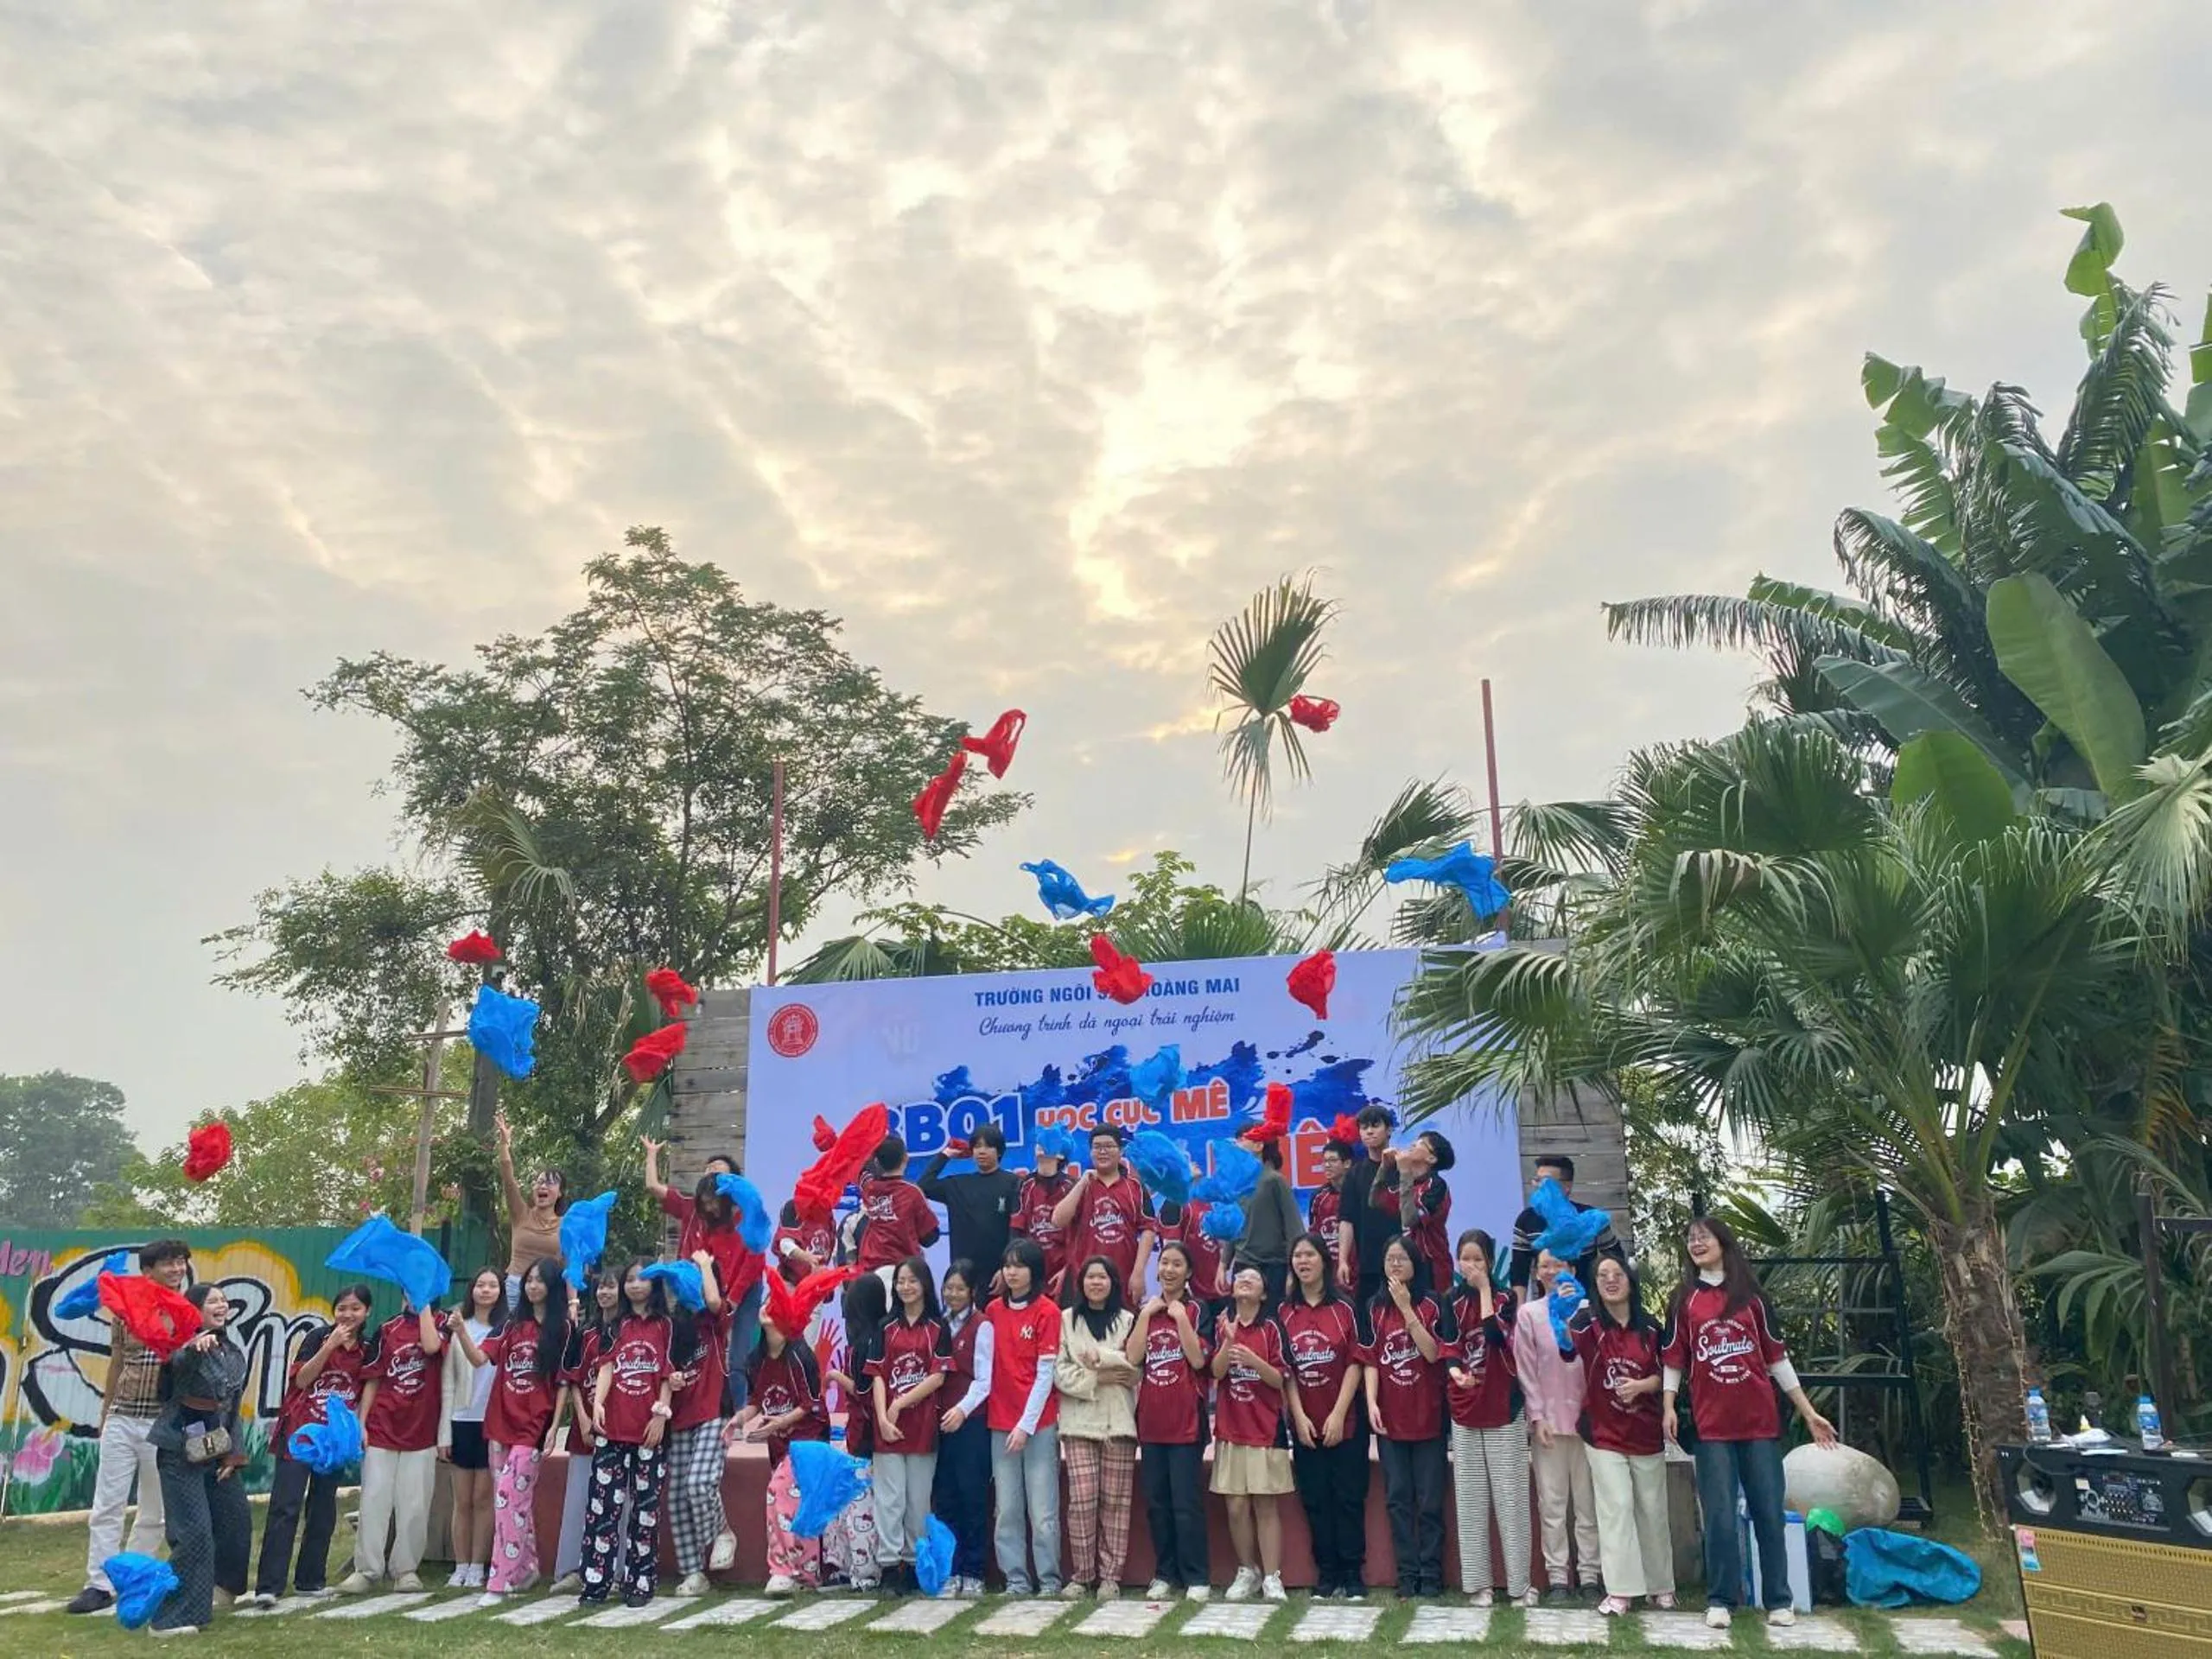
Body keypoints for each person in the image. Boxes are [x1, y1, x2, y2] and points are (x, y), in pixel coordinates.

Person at [1662, 1216, 1837, 1633]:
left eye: (1704, 1236)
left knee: (1768, 1513)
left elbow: (1777, 1359)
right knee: (1720, 1516)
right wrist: (1668, 1405)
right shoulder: (1683, 1299)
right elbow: (1673, 1358)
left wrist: (1808, 1412)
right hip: (1711, 1426)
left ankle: (1778, 1598)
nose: (1697, 1243)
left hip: (1759, 1424)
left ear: (1724, 1243)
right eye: (1691, 1238)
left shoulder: (1753, 1300)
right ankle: (1721, 1599)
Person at [68, 1237, 191, 1616]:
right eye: (168, 1263)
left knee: (154, 1510)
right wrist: (106, 1415)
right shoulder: (124, 1311)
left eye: (181, 1262)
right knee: (107, 1505)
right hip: (123, 1417)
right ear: (147, 1271)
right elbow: (117, 1362)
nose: (176, 1269)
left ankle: (134, 1577)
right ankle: (99, 1584)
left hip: (163, 1422)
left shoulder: (190, 1312)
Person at [450, 1256, 569, 1607]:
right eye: (529, 1280)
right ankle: (526, 1568)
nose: (533, 1286)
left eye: (539, 1281)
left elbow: (563, 1382)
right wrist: (459, 1332)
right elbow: (478, 1360)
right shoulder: (511, 1326)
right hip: (500, 1425)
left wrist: (553, 1427)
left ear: (552, 1287)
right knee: (517, 1505)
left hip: (532, 1427)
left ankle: (499, 1581)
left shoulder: (561, 1330)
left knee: (505, 1499)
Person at [1560, 1256, 1675, 1617]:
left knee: (1652, 1509)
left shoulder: (1653, 1327)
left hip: (1646, 1431)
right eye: (1602, 1276)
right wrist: (1562, 1307)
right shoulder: (1587, 1322)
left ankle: (1661, 1587)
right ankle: (1621, 1591)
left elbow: (1667, 1375)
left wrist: (1642, 1385)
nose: (1611, 1281)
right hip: (1603, 1432)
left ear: (1631, 1281)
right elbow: (1566, 1349)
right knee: (1617, 1508)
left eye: (1618, 1275)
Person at [251, 1282, 377, 1606]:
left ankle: (310, 1580)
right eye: (342, 1308)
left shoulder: (367, 1347)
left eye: (355, 1308)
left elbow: (366, 1389)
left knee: (322, 1509)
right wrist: (329, 1345)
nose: (348, 1314)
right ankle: (269, 1586)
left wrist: (359, 1428)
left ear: (367, 1312)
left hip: (333, 1441)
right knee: (285, 1506)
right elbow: (302, 1380)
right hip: (299, 1433)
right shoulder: (316, 1337)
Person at [146, 1281, 251, 1636]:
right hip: (179, 1451)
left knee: (236, 1521)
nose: (221, 1305)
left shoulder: (232, 1351)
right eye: (212, 1301)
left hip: (216, 1448)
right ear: (194, 1310)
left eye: (224, 1300)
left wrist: (233, 1455)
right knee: (194, 1534)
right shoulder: (185, 1346)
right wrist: (194, 1345)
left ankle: (221, 1589)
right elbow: (179, 1362)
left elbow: (232, 1408)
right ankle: (168, 1620)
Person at [579, 1261, 677, 1608]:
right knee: (603, 1509)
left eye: (643, 1279)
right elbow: (606, 1366)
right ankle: (595, 1583)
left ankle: (639, 1583)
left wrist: (660, 1416)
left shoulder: (666, 1325)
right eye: (630, 1279)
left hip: (650, 1431)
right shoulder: (615, 1324)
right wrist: (597, 1406)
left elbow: (667, 1374)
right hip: (612, 1430)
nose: (636, 1285)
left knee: (644, 1513)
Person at [644, 1141, 766, 1417]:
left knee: (738, 1358)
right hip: (702, 1292)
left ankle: (739, 1416)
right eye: (708, 1170)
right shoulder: (692, 1209)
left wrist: (732, 1300)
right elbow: (653, 1186)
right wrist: (652, 1154)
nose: (711, 1175)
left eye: (719, 1173)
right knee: (690, 1348)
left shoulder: (745, 1217)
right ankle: (687, 1412)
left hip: (743, 1290)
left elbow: (752, 1264)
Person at [1444, 1230, 1531, 1609]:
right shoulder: (1449, 1300)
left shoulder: (1505, 1299)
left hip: (1503, 1408)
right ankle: (1479, 1584)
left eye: (1479, 1259)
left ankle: (1519, 1586)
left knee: (1511, 1499)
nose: (1472, 1266)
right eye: (1466, 1259)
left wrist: (1482, 1291)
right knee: (1471, 1499)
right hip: (1465, 1410)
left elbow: (1497, 1337)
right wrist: (1455, 1373)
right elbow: (1450, 1347)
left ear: (1490, 1261)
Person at [1360, 1235, 1450, 1600]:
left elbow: (1432, 1354)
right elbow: (1370, 1360)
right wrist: (1371, 1402)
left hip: (1427, 1416)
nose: (1394, 1265)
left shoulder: (1433, 1304)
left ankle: (1431, 1574)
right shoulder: (1374, 1307)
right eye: (1389, 1259)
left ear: (1415, 1264)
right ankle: (1407, 1574)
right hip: (1390, 1417)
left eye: (1402, 1259)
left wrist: (1408, 1310)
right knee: (1398, 1499)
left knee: (1429, 1500)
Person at [1281, 1233, 1367, 1601]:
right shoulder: (1284, 1312)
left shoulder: (1345, 1308)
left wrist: (1338, 1414)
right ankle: (1327, 1574)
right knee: (1315, 1498)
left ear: (1324, 1262)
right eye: (1297, 1256)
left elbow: (1355, 1363)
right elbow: (1285, 1371)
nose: (1303, 1262)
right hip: (1305, 1423)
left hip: (1344, 1421)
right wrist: (1298, 1418)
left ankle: (1352, 1574)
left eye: (1309, 1255)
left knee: (1348, 1497)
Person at [342, 1294, 447, 1592]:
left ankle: (405, 1569)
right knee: (374, 1499)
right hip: (383, 1425)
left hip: (422, 1428)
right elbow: (373, 1378)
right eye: (408, 1291)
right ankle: (367, 1569)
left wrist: (424, 1306)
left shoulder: (442, 1325)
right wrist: (362, 1422)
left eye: (419, 1290)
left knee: (414, 1504)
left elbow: (431, 1347)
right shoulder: (388, 1329)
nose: (412, 1297)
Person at [733, 1287, 833, 1596]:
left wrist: (778, 1423)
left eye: (773, 1305)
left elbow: (810, 1404)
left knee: (778, 1493)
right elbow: (757, 1400)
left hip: (806, 1442)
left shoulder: (800, 1356)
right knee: (797, 1506)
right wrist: (739, 1419)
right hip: (778, 1443)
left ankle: (782, 1570)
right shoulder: (757, 1359)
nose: (765, 1309)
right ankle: (807, 1574)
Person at [1516, 1249, 1602, 1604]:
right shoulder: (1529, 1314)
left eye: (1559, 1264)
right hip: (1548, 1423)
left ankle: (1590, 1575)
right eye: (1545, 1266)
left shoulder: (1590, 1313)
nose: (1551, 1271)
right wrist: (1536, 1417)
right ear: (1536, 1273)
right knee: (1551, 1504)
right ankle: (1558, 1578)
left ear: (1572, 1269)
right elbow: (1526, 1368)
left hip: (1588, 1422)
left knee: (1588, 1504)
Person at [1128, 1240, 1211, 1602]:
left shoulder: (1197, 1309)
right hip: (1152, 1421)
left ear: (1189, 1272)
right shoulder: (1146, 1311)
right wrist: (1147, 1316)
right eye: (1164, 1263)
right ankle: (1165, 1573)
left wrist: (1179, 1318)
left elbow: (1198, 1361)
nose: (1169, 1270)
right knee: (1158, 1502)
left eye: (1177, 1264)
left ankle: (1197, 1577)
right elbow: (1132, 1358)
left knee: (1185, 1503)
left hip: (1186, 1422)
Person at [980, 1236, 1063, 1596]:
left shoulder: (1048, 1312)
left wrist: (1026, 1425)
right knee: (1007, 1509)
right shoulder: (993, 1313)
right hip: (1000, 1422)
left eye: (1019, 1265)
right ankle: (1015, 1578)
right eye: (1007, 1265)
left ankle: (1049, 1580)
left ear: (1034, 1271)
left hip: (1039, 1424)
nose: (1011, 1272)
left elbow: (1046, 1375)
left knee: (1043, 1511)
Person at [866, 1255, 954, 1593]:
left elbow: (937, 1377)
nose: (906, 1287)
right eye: (901, 1281)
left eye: (912, 1280)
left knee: (918, 1501)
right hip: (887, 1429)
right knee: (889, 1500)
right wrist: (884, 1417)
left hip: (921, 1428)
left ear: (925, 1285)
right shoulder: (884, 1328)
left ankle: (915, 1565)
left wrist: (901, 1402)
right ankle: (889, 1568)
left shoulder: (938, 1328)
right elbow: (876, 1374)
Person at [1055, 1256, 1139, 1599]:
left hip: (1119, 1421)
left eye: (1103, 1277)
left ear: (1113, 1282)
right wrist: (1101, 1373)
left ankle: (1110, 1577)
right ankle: (1082, 1574)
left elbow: (1135, 1370)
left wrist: (1101, 1360)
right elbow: (1060, 1373)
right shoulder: (1066, 1320)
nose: (1096, 1282)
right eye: (1090, 1277)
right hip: (1078, 1422)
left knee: (1116, 1502)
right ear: (1081, 1283)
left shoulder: (1129, 1320)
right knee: (1082, 1501)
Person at [1211, 1266, 1293, 1604]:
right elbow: (1216, 1373)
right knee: (1235, 1506)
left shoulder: (1272, 1327)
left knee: (1265, 1504)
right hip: (1232, 1427)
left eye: (1254, 1279)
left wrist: (1253, 1360)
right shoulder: (1223, 1325)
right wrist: (1229, 1341)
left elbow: (1280, 1379)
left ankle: (1273, 1577)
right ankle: (1248, 1570)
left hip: (1265, 1427)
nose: (1244, 1280)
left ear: (1262, 1294)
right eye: (1239, 1277)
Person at [549, 1268, 622, 1594]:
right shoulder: (587, 1333)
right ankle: (572, 1569)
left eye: (611, 1287)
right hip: (585, 1431)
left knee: (620, 1503)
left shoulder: (631, 1332)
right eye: (601, 1287)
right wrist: (581, 1416)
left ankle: (616, 1571)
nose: (605, 1293)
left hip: (622, 1431)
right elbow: (574, 1378)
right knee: (579, 1500)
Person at [665, 1250, 734, 1597]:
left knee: (698, 1483)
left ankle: (723, 1531)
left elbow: (711, 1300)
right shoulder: (674, 1326)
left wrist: (706, 1264)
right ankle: (693, 1572)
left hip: (713, 1411)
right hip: (679, 1417)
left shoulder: (716, 1318)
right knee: (677, 1498)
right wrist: (672, 1380)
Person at [436, 1267, 505, 1591]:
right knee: (461, 1499)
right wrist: (443, 1432)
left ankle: (479, 1565)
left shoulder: (504, 1329)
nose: (486, 1290)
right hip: (461, 1419)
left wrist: (462, 1330)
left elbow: (482, 1361)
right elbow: (446, 1382)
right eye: (481, 1285)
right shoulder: (454, 1326)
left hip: (491, 1421)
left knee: (483, 1498)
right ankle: (460, 1565)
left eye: (493, 1285)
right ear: (472, 1290)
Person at [931, 1261, 993, 1598]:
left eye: (959, 1288)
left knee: (972, 1497)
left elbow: (984, 1380)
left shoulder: (982, 1325)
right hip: (938, 1422)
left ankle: (974, 1571)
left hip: (969, 1423)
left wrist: (961, 1410)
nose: (952, 1294)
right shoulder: (937, 1324)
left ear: (972, 1291)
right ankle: (950, 1570)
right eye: (948, 1288)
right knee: (946, 1498)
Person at [824, 1273, 887, 1590]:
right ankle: (854, 1568)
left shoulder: (869, 1342)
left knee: (862, 1506)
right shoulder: (869, 1338)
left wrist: (835, 1375)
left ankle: (865, 1572)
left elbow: (863, 1391)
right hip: (858, 1432)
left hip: (866, 1435)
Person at [1052, 1126, 1154, 1300]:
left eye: (1109, 1146)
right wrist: (1083, 1181)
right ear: (1090, 1152)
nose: (1103, 1151)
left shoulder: (1135, 1187)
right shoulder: (1078, 1187)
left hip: (1122, 1279)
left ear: (1121, 1150)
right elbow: (1057, 1221)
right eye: (1097, 1147)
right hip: (1083, 1281)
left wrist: (1138, 1273)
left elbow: (1148, 1229)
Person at [1507, 1154, 1623, 1293]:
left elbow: (1616, 1260)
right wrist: (1519, 1310)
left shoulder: (1592, 1219)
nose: (1539, 1186)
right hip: (1547, 1306)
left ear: (1567, 1186)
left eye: (1546, 1181)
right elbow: (1519, 1271)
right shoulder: (1526, 1220)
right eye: (1537, 1180)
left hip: (1589, 1304)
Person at [919, 1122, 1021, 1274]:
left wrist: (1007, 1267)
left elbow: (1016, 1231)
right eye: (977, 1146)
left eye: (988, 1146)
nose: (982, 1151)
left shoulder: (1013, 1183)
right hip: (963, 1274)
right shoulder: (958, 1184)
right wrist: (946, 1154)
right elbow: (924, 1185)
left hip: (999, 1272)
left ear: (999, 1151)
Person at [1369, 1129, 1455, 1300]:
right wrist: (1383, 1168)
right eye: (1415, 1141)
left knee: (1434, 1316)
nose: (1413, 1145)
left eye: (1421, 1144)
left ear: (1431, 1159)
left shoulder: (1437, 1186)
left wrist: (1405, 1173)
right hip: (1405, 1264)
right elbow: (1374, 1201)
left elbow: (1409, 1220)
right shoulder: (1407, 1183)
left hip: (1431, 1265)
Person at [494, 1109, 567, 1308]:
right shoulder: (521, 1214)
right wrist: (504, 1144)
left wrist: (572, 1302)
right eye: (539, 1182)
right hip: (515, 1288)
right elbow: (508, 1180)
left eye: (550, 1183)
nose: (543, 1186)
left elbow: (570, 1267)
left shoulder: (566, 1225)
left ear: (560, 1193)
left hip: (550, 1290)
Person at [1334, 1107, 1398, 1325]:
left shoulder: (1404, 1167)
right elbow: (1346, 1219)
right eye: (1364, 1127)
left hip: (1404, 1262)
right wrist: (1343, 1260)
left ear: (1389, 1130)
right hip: (1368, 1263)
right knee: (1368, 1324)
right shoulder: (1355, 1174)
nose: (1369, 1132)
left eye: (1375, 1125)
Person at [1234, 1135, 1306, 1307]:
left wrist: (1293, 1271)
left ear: (1259, 1145)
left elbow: (1294, 1228)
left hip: (1273, 1266)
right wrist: (1223, 1265)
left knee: (1272, 1319)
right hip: (1243, 1263)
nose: (1237, 1144)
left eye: (1244, 1139)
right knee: (1244, 1321)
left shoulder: (1274, 1180)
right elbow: (1234, 1226)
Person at [856, 1135, 941, 1280]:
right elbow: (930, 1237)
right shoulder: (912, 1193)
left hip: (871, 1271)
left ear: (876, 1161)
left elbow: (862, 1170)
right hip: (904, 1272)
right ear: (906, 1158)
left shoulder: (868, 1188)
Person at [1011, 1138, 1077, 1290]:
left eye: (1048, 1140)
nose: (1041, 1145)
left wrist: (1070, 1267)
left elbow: (1079, 1233)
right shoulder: (1024, 1185)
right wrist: (1013, 1265)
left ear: (1061, 1155)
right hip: (1032, 1267)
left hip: (1064, 1267)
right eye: (1039, 1141)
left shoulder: (1072, 1186)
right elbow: (1016, 1229)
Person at [771, 1198, 840, 1287]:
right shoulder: (794, 1207)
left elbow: (834, 1249)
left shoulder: (828, 1214)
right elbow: (785, 1244)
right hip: (790, 1284)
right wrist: (808, 1258)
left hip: (815, 1284)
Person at [1308, 1135, 1353, 1271]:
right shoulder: (1319, 1197)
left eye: (1333, 1161)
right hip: (1328, 1267)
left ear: (1347, 1164)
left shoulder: (1359, 1193)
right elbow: (1314, 1233)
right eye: (1325, 1161)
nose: (1327, 1165)